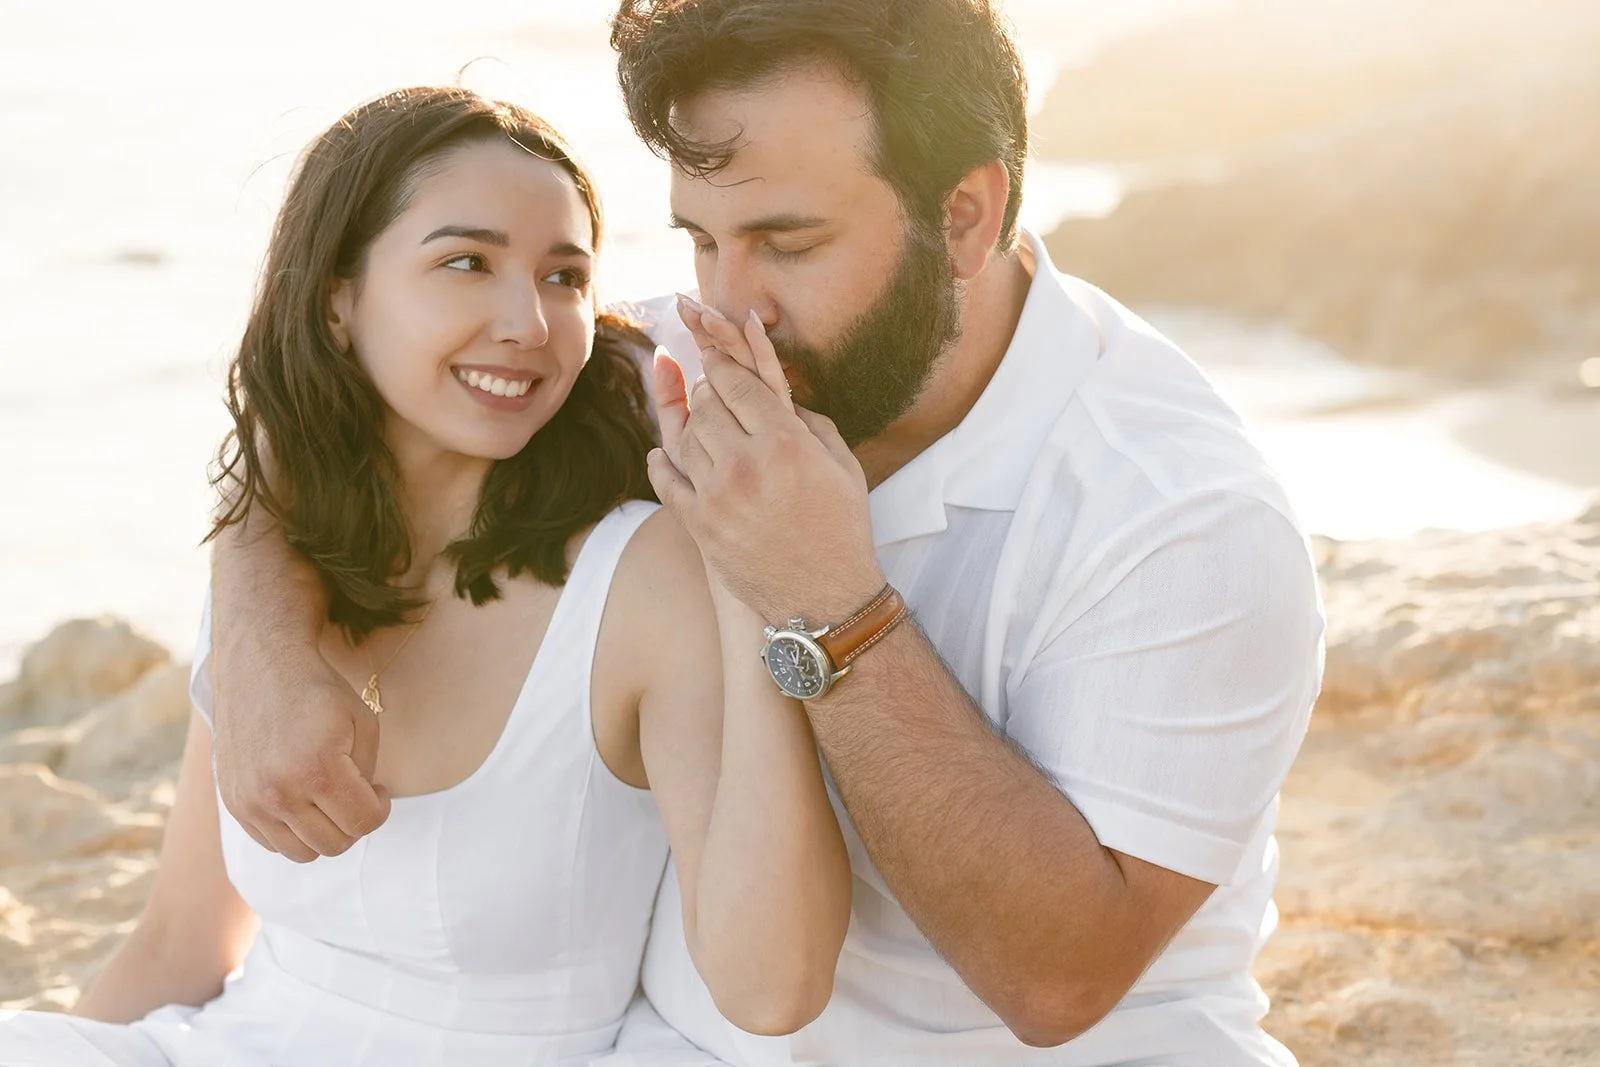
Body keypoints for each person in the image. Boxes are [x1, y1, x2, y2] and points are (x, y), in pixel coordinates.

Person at [196, 2, 1328, 1065]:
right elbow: (335, 422)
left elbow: (1056, 978)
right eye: (701, 240)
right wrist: (260, 644)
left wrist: (826, 597)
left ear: (964, 217)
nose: (729, 305)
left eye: (787, 242)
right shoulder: (681, 370)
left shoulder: (1180, 518)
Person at [0, 86, 851, 1067]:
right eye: (466, 262)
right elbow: (180, 944)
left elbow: (773, 987)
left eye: (564, 276)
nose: (529, 322)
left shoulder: (638, 579)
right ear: (338, 299)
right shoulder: (273, 565)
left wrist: (743, 569)